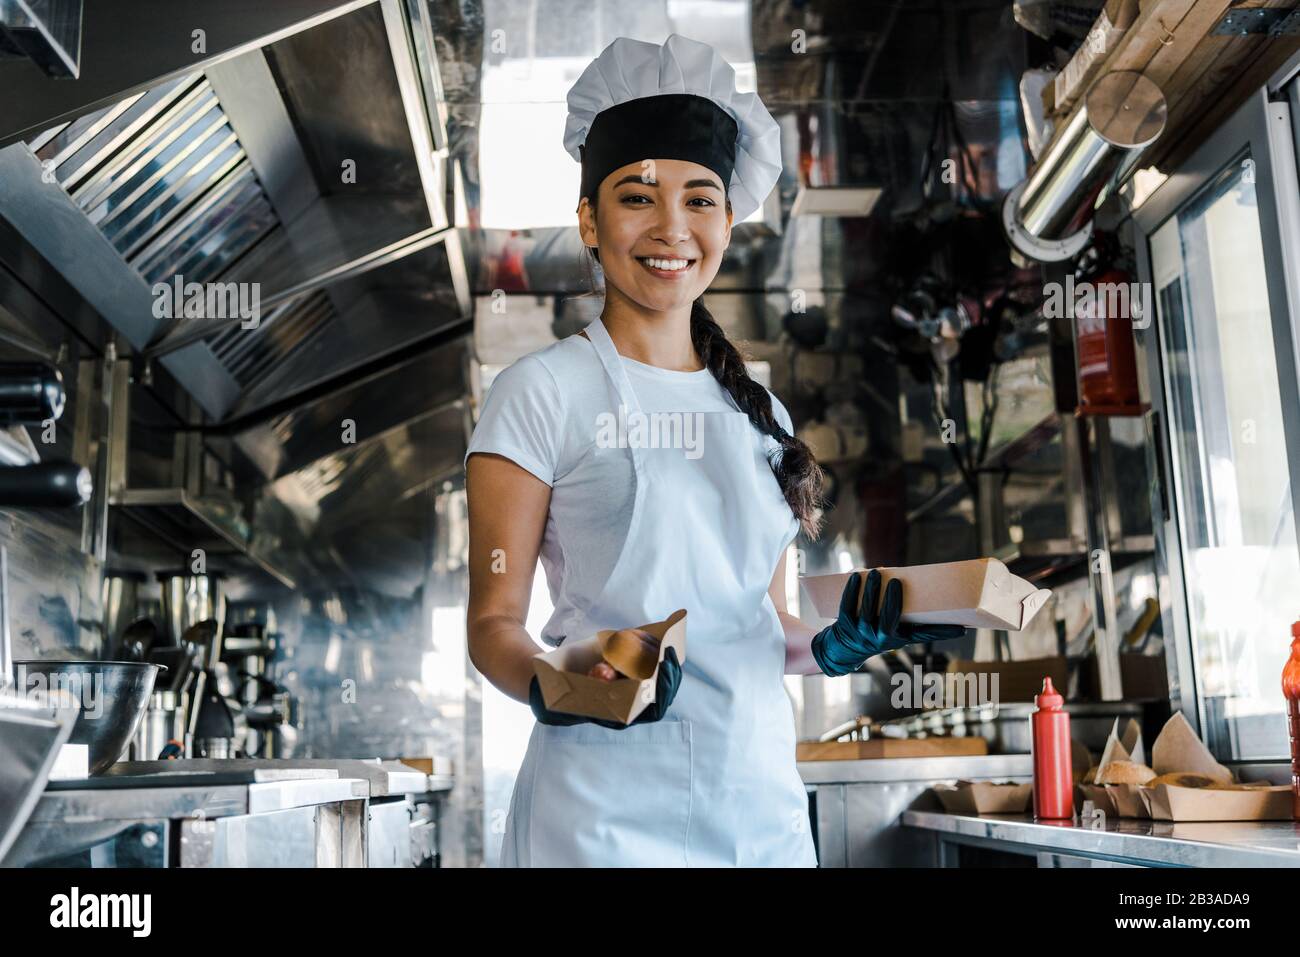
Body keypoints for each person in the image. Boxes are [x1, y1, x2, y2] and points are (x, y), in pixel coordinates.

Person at [465, 34, 964, 867]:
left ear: (728, 221)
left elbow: (764, 628)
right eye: (636, 197)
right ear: (589, 218)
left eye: (700, 199)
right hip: (596, 821)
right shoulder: (539, 394)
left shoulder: (757, 408)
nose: (672, 228)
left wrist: (831, 643)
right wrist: (558, 689)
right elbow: (491, 625)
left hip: (755, 811)